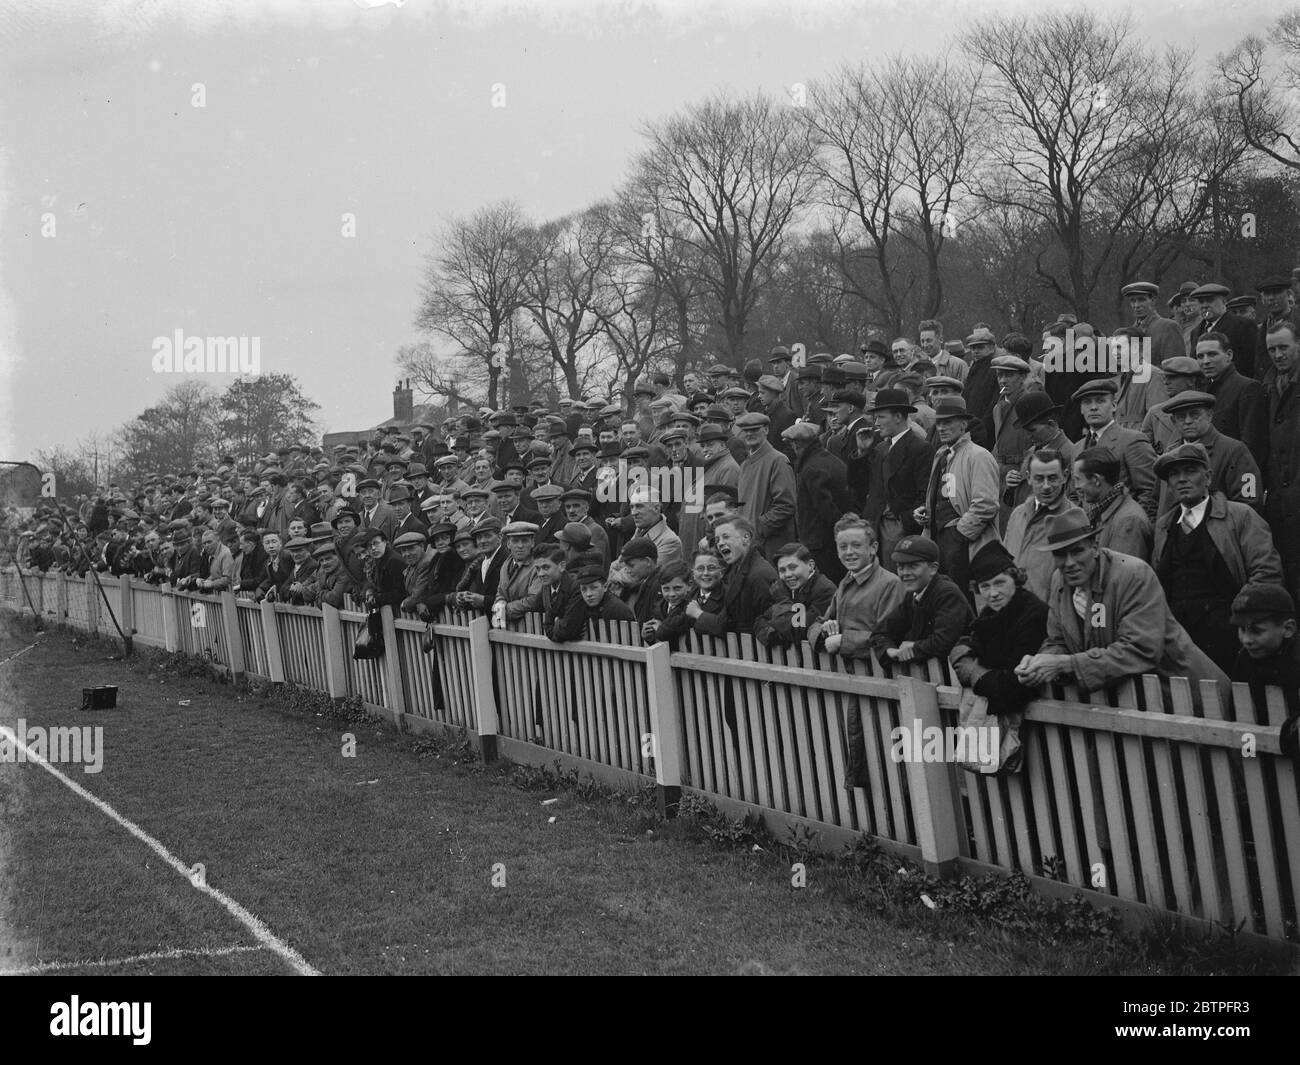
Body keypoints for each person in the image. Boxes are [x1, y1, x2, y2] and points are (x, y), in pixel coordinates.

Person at [1015, 510, 1230, 704]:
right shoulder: (1059, 581)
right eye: (1060, 554)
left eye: (1077, 551)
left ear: (1095, 547)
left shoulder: (1133, 575)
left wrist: (1067, 664)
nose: (1069, 562)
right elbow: (1058, 640)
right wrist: (1039, 663)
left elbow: (1141, 649)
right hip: (1133, 703)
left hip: (1190, 697)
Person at [1150, 442, 1283, 672]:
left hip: (1230, 637)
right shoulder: (1164, 527)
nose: (1182, 479)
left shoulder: (1240, 517)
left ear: (1208, 477)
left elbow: (1266, 573)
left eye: (1190, 471)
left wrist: (1245, 623)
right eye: (1174, 474)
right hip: (1180, 642)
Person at [950, 541, 1050, 716]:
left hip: (1034, 716)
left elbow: (1012, 687)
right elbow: (967, 646)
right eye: (985, 586)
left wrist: (974, 672)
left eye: (999, 583)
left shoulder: (1033, 614)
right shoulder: (989, 613)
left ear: (1016, 580)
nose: (993, 593)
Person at [915, 396, 1001, 599]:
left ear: (963, 424)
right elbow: (946, 495)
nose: (942, 428)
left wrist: (960, 534)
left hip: (963, 543)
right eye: (939, 423)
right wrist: (925, 512)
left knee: (965, 598)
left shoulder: (979, 455)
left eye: (948, 422)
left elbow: (986, 504)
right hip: (938, 539)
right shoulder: (941, 455)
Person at [871, 536, 974, 668]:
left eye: (913, 566)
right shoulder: (911, 596)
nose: (905, 573)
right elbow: (880, 632)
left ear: (933, 569)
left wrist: (913, 646)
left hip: (955, 677)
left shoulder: (947, 593)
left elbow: (944, 642)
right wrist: (890, 650)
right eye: (900, 567)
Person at [862, 388, 933, 573]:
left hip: (897, 528)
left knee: (897, 579)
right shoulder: (879, 447)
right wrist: (862, 452)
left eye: (881, 417)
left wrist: (904, 520)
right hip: (876, 525)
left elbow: (924, 492)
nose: (876, 423)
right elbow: (861, 486)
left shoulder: (919, 448)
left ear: (899, 417)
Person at [1003, 448, 1085, 602]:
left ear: (1065, 477)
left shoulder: (1074, 518)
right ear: (1028, 478)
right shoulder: (1018, 514)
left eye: (1052, 478)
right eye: (1039, 479)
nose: (1046, 486)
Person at [1229, 584, 1300, 760]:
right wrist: (1249, 755)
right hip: (1263, 761)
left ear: (1288, 629)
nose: (1246, 640)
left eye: (1256, 631)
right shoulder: (1244, 660)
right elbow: (1239, 715)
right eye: (1242, 629)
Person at [1072, 379, 1158, 523]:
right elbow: (1074, 495)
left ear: (1113, 405)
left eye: (1100, 401)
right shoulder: (1077, 448)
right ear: (1081, 409)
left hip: (1122, 529)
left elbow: (1150, 492)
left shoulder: (1132, 440)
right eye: (1087, 402)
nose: (1093, 407)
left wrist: (1132, 527)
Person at [783, 420, 855, 583]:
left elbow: (825, 509)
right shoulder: (828, 459)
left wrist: (841, 531)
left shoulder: (812, 469)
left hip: (822, 545)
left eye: (791, 445)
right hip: (832, 541)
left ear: (797, 445)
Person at [1262, 322, 1300, 600]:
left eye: (1284, 347)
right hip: (1281, 498)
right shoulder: (1268, 386)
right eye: (1272, 349)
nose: (1278, 355)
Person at [690, 517, 777, 636]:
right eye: (717, 540)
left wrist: (697, 613)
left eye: (726, 537)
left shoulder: (760, 575)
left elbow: (770, 622)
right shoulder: (735, 571)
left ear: (746, 538)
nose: (720, 543)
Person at [734, 411, 797, 558]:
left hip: (769, 547)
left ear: (766, 430)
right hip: (749, 544)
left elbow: (786, 505)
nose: (750, 434)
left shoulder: (778, 460)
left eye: (755, 430)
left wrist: (758, 528)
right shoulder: (745, 464)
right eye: (746, 431)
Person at [1071, 448, 1151, 561]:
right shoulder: (1100, 512)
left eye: (1078, 480)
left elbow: (1123, 576)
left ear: (1096, 480)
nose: (1076, 487)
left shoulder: (1129, 521)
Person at [754, 543, 837, 648]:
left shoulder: (824, 590)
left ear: (810, 565)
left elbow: (799, 631)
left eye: (793, 567)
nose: (788, 574)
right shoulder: (784, 587)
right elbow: (760, 620)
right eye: (782, 570)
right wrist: (773, 635)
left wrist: (783, 601)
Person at [361, 528, 406, 611]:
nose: (373, 548)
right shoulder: (378, 560)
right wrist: (369, 590)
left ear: (385, 542)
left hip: (400, 612)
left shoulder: (394, 561)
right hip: (388, 611)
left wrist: (376, 598)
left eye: (376, 543)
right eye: (369, 545)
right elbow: (373, 583)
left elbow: (400, 593)